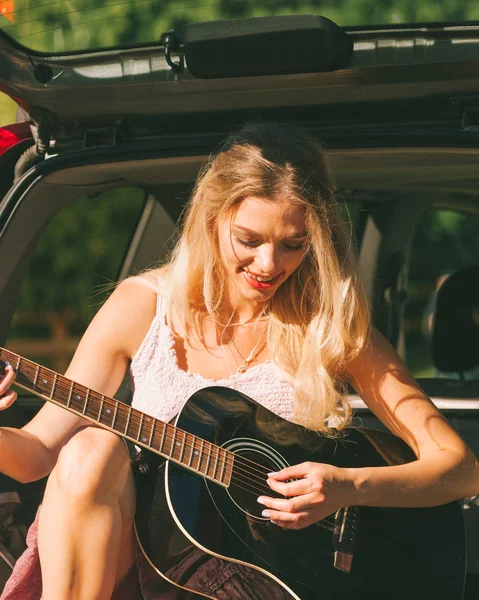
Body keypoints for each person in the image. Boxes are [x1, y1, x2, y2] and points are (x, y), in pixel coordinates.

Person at [0, 122, 478, 600]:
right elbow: (35, 456)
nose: (269, 264)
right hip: (137, 561)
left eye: (293, 243)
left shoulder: (330, 328)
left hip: (265, 575)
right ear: (212, 219)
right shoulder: (142, 306)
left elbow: (460, 468)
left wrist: (349, 486)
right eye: (249, 240)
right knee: (90, 450)